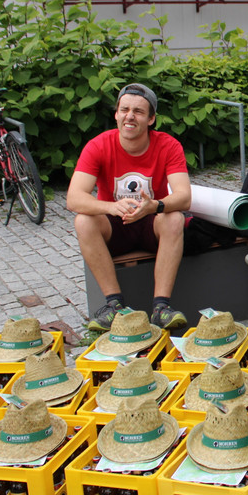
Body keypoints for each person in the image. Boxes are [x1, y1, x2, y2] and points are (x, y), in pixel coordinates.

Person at [67, 83, 192, 332]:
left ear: (151, 119)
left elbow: (184, 197)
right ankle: (114, 305)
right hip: (115, 225)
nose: (129, 116)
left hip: (150, 222)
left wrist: (154, 206)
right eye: (124, 110)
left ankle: (161, 308)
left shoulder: (168, 145)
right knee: (83, 220)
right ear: (116, 114)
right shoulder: (98, 145)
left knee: (175, 218)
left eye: (138, 111)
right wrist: (111, 207)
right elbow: (73, 198)